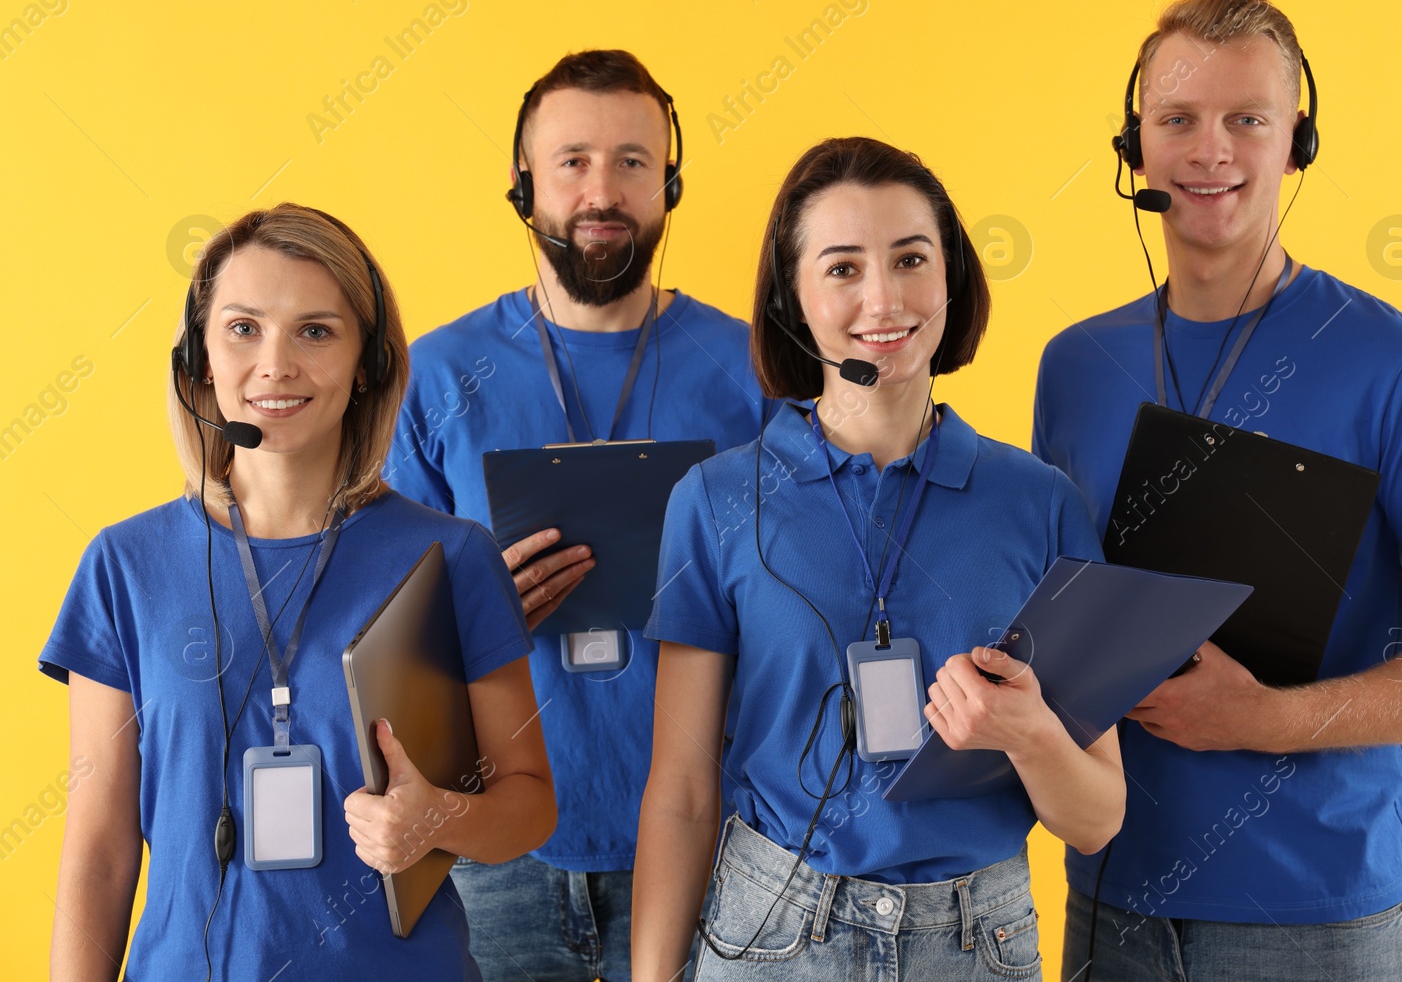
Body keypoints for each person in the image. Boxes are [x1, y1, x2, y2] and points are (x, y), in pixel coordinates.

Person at [1033, 0, 1402, 980]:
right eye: (1175, 118)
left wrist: (1262, 720)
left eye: (1246, 119)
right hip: (1108, 904)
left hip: (1316, 919)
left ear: (1297, 141)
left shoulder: (1397, 364)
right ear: (1131, 146)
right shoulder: (1074, 363)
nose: (1208, 149)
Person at [633, 136, 1125, 982]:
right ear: (794, 295)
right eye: (842, 267)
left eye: (910, 259)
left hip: (978, 944)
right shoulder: (714, 502)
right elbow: (680, 791)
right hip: (770, 933)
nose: (883, 298)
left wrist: (1028, 732)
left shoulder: (1041, 503)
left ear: (952, 278)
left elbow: (1097, 816)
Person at [42, 204, 557, 982]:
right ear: (199, 360)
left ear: (370, 364)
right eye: (243, 328)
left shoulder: (452, 556)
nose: (275, 365)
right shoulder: (124, 564)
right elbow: (98, 850)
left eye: (315, 331)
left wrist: (440, 820)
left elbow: (529, 802)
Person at [385, 49, 767, 982]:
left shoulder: (755, 371)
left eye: (633, 161)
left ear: (669, 182)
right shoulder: (434, 378)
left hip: (713, 838)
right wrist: (474, 624)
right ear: (523, 184)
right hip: (495, 853)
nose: (603, 190)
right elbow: (378, 649)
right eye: (572, 161)